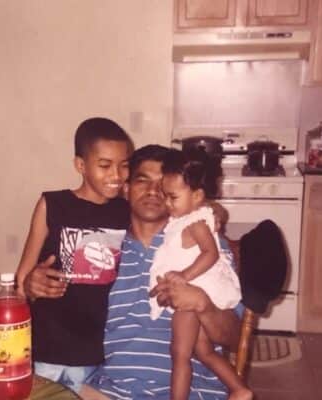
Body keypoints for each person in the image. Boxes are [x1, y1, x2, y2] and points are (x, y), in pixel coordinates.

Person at [25, 144, 243, 399]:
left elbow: (234, 338)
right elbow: (64, 302)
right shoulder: (103, 247)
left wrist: (203, 304)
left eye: (163, 184)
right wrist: (33, 286)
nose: (153, 191)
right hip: (112, 390)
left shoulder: (202, 247)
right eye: (143, 181)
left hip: (191, 392)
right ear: (125, 189)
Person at [15, 117, 134, 394]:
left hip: (105, 349)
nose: (117, 175)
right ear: (81, 166)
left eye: (124, 164)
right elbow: (21, 281)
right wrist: (30, 283)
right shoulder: (53, 204)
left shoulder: (127, 212)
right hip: (53, 348)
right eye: (105, 165)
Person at [149, 149, 249, 400]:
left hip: (195, 293)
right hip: (196, 290)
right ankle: (239, 389)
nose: (167, 203)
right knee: (203, 350)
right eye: (165, 196)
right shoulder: (188, 217)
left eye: (173, 197)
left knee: (179, 354)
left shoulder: (195, 222)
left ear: (197, 196)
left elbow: (210, 253)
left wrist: (184, 275)